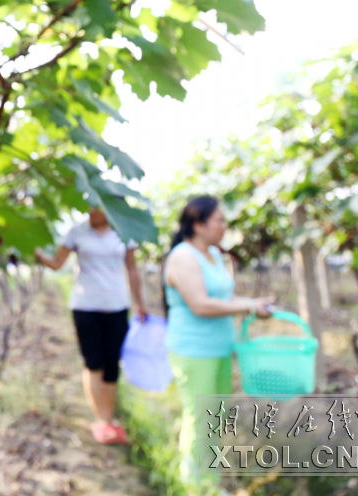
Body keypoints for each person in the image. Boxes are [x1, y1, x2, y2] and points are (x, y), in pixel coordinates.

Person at [163, 196, 274, 484]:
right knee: (200, 417)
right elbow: (200, 304)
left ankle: (208, 481)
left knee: (215, 417)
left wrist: (253, 302)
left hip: (220, 348)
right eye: (219, 220)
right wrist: (247, 307)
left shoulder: (214, 255)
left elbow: (223, 298)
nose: (225, 226)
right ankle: (193, 485)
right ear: (198, 225)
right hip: (194, 350)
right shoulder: (183, 256)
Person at [35, 207, 145, 445]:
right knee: (93, 363)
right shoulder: (77, 232)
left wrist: (140, 303)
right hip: (85, 305)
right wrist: (36, 252)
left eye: (97, 207)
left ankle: (109, 418)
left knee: (112, 365)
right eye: (89, 207)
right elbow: (57, 263)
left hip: (117, 304)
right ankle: (102, 421)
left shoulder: (123, 232)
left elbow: (132, 268)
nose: (91, 212)